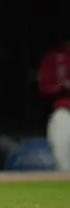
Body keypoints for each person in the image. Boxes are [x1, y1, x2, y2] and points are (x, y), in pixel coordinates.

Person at [37, 38, 70, 171]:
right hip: (66, 110)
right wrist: (63, 84)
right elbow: (45, 87)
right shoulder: (56, 56)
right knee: (64, 162)